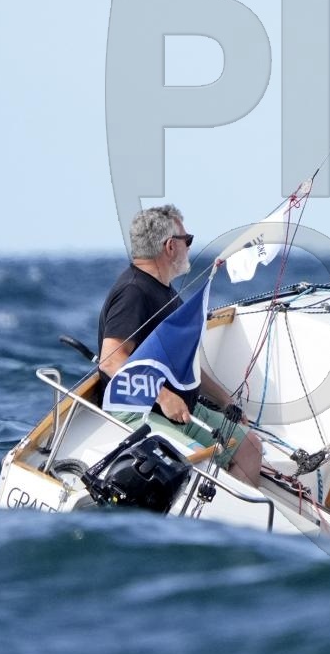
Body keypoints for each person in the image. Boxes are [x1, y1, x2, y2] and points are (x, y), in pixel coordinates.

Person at [97, 204, 265, 486]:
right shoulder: (134, 292)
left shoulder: (166, 293)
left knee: (250, 447)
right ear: (170, 246)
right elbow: (111, 360)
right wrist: (163, 397)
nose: (189, 247)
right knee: (200, 461)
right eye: (187, 240)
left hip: (181, 409)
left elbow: (183, 365)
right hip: (139, 410)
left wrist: (225, 400)